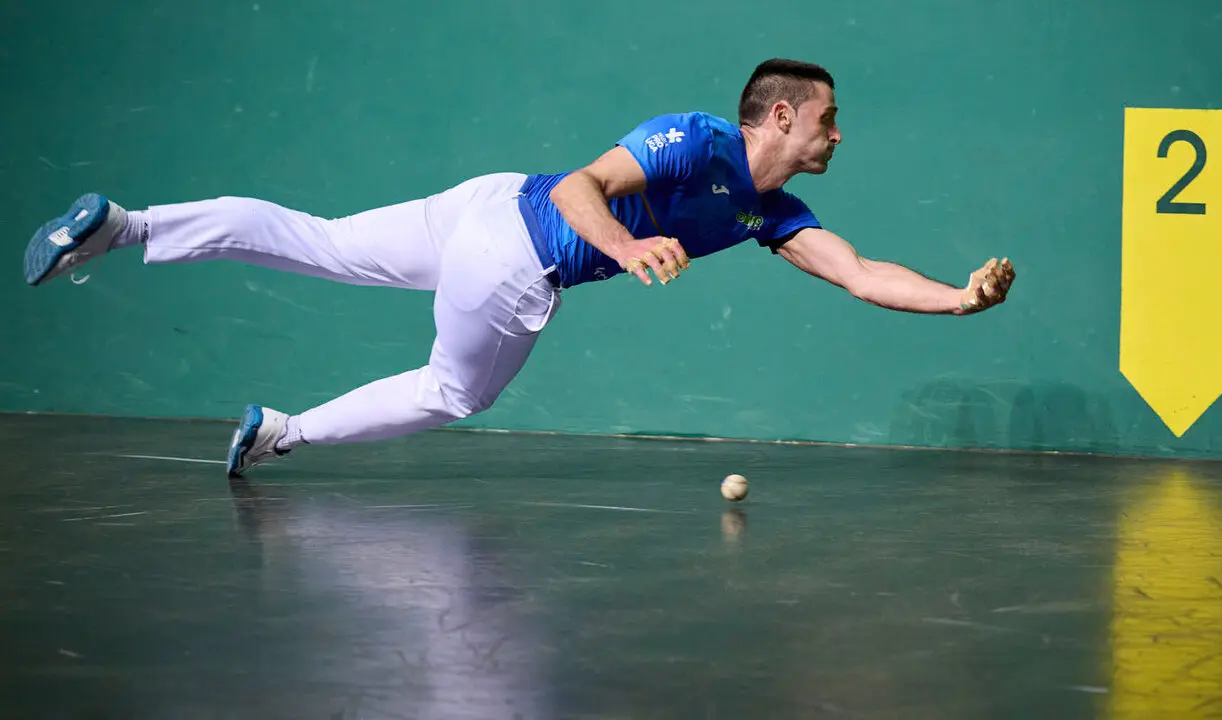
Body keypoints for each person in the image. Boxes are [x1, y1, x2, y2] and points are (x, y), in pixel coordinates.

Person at [21, 58, 1015, 478]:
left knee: (319, 238)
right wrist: (624, 247)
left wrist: (957, 301)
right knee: (452, 394)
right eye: (829, 119)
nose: (839, 135)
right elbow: (588, 184)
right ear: (784, 117)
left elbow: (857, 271)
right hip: (517, 243)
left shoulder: (774, 213)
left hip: (485, 203)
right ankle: (284, 434)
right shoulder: (695, 136)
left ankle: (128, 225)